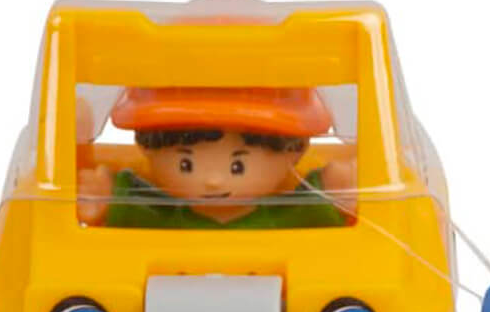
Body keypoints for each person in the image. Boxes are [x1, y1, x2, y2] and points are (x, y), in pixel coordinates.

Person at [77, 86, 353, 229]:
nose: (213, 180)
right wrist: (106, 195)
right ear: (145, 146)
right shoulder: (162, 215)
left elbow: (304, 209)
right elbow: (136, 206)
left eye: (238, 166)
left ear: (294, 151)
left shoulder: (283, 217)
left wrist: (332, 190)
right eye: (186, 164)